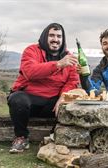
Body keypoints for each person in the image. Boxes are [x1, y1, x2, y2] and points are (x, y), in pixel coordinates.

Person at [7, 23, 79, 153]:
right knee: (17, 99)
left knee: (72, 103)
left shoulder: (69, 57)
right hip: (30, 102)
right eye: (51, 35)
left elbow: (72, 81)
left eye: (59, 36)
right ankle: (21, 137)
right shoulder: (32, 50)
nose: (55, 39)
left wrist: (63, 97)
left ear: (63, 39)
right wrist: (57, 64)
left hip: (53, 104)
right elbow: (30, 71)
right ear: (45, 36)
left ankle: (55, 137)